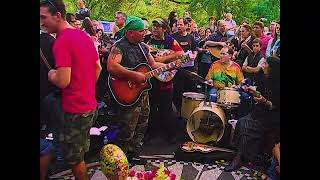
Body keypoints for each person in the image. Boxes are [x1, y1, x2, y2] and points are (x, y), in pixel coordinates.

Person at [40, 1, 102, 179]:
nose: (41, 22)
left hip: (74, 109)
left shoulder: (61, 41)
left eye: (43, 17)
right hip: (89, 104)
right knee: (80, 152)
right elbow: (97, 67)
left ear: (57, 15)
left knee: (74, 159)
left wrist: (52, 74)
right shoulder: (83, 36)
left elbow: (63, 80)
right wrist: (86, 88)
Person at [107, 16, 181, 162]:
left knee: (142, 123)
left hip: (142, 92)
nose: (145, 32)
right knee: (127, 127)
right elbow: (111, 66)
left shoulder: (143, 46)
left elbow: (153, 65)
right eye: (142, 30)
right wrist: (133, 75)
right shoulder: (119, 46)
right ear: (130, 33)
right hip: (127, 92)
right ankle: (120, 158)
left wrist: (172, 66)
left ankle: (133, 153)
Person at [224, 56, 280, 172]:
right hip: (260, 111)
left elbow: (274, 105)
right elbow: (260, 92)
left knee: (247, 127)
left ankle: (239, 158)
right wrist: (254, 92)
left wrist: (264, 101)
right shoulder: (265, 78)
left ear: (272, 68)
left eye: (266, 65)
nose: (263, 66)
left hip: (273, 115)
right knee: (241, 121)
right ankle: (242, 153)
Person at [145, 18, 184, 144]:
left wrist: (163, 59)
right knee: (150, 107)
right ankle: (150, 133)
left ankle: (171, 134)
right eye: (154, 25)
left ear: (164, 29)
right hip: (150, 79)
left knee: (166, 108)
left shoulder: (170, 40)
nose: (155, 28)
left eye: (158, 26)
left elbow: (181, 54)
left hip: (165, 79)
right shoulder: (147, 39)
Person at [172, 18, 198, 115]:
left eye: (181, 24)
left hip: (189, 68)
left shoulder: (191, 37)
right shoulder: (173, 37)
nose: (179, 26)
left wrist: (194, 56)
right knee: (178, 90)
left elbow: (194, 50)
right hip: (177, 69)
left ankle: (189, 111)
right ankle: (178, 111)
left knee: (190, 88)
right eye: (177, 25)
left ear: (187, 26)